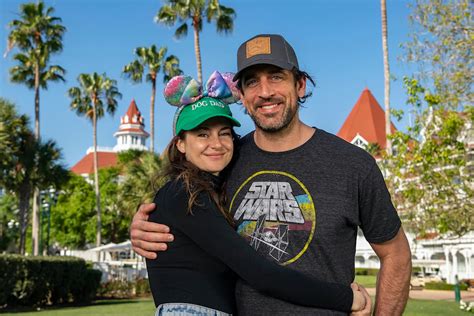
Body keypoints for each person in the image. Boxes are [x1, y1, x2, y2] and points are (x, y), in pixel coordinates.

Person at [131, 34, 412, 315]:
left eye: (276, 77)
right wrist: (144, 224)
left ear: (300, 85)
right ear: (240, 94)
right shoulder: (225, 160)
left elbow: (396, 254)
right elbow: (184, 209)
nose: (264, 92)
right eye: (252, 81)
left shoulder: (353, 164)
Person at [148, 71, 369, 315]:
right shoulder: (183, 194)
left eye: (224, 133)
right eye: (202, 134)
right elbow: (261, 274)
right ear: (180, 143)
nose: (216, 143)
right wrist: (346, 298)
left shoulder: (204, 191)